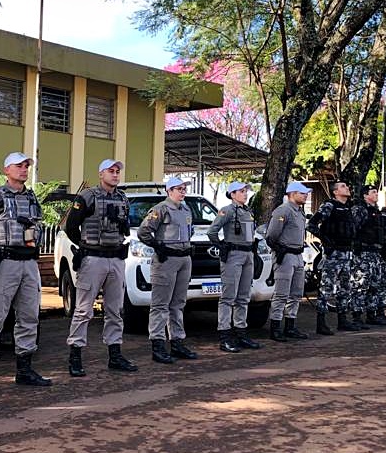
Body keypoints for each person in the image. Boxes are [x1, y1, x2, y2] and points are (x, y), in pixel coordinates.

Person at [0, 152, 51, 397]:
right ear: (6, 170)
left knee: (29, 317)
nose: (24, 169)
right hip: (4, 263)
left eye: (27, 165)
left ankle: (24, 370)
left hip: (28, 264)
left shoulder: (31, 196)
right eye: (19, 165)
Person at [63, 159, 138, 375]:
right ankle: (75, 357)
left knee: (115, 309)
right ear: (100, 174)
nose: (115, 175)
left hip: (116, 258)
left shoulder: (123, 198)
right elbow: (70, 226)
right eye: (110, 171)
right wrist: (86, 246)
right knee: (83, 309)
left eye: (117, 171)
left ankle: (115, 355)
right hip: (93, 259)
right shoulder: (87, 196)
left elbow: (125, 227)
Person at [137, 176, 197, 363]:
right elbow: (143, 231)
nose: (182, 191)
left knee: (178, 303)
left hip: (184, 258)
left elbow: (190, 230)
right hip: (167, 260)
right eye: (178, 189)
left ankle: (177, 342)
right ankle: (158, 345)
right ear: (169, 191)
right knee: (160, 304)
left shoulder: (186, 209)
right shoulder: (161, 209)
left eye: (184, 188)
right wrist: (158, 246)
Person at [207, 181, 262, 353]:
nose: (245, 194)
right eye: (241, 191)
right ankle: (224, 335)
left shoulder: (248, 211)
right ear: (232, 194)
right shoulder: (227, 210)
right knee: (228, 297)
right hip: (233, 254)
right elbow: (212, 231)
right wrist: (221, 246)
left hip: (247, 254)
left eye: (246, 191)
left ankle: (241, 332)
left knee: (244, 296)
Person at [264, 181, 312, 342]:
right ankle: (275, 327)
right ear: (292, 194)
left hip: (298, 254)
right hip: (285, 254)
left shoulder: (299, 212)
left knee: (296, 292)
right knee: (281, 293)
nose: (305, 195)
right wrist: (279, 249)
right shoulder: (283, 210)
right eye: (302, 193)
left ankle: (290, 326)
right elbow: (271, 235)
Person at [307, 181, 356, 334]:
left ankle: (343, 320)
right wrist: (326, 240)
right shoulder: (329, 206)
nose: (347, 187)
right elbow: (312, 225)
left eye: (346, 186)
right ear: (335, 192)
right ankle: (321, 323)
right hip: (333, 254)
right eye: (343, 186)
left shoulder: (349, 208)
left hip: (347, 252)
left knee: (345, 288)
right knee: (326, 288)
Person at [351, 184, 386, 327]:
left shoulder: (376, 211)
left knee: (375, 285)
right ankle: (357, 316)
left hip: (376, 253)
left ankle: (371, 314)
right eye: (373, 192)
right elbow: (354, 229)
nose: (376, 194)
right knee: (361, 284)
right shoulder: (359, 209)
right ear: (365, 195)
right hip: (363, 253)